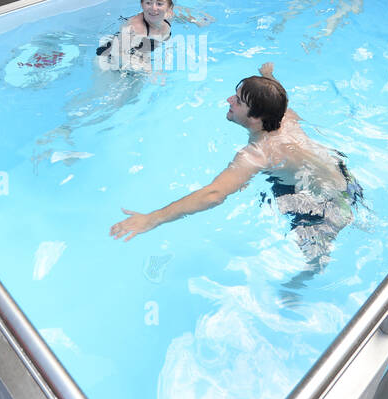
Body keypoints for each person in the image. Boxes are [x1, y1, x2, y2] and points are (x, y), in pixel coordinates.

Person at [110, 62, 363, 267]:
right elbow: (277, 94)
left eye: (239, 101)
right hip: (345, 177)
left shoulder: (258, 153)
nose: (229, 100)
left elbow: (213, 194)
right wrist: (268, 76)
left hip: (319, 206)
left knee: (313, 263)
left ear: (256, 118)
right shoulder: (284, 116)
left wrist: (152, 219)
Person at [95, 0, 174, 74]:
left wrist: (193, 20)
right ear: (142, 4)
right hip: (109, 61)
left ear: (169, 7)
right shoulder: (135, 29)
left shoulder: (168, 16)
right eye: (148, 2)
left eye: (159, 4)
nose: (154, 8)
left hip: (139, 50)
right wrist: (148, 69)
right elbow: (118, 53)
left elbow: (181, 11)